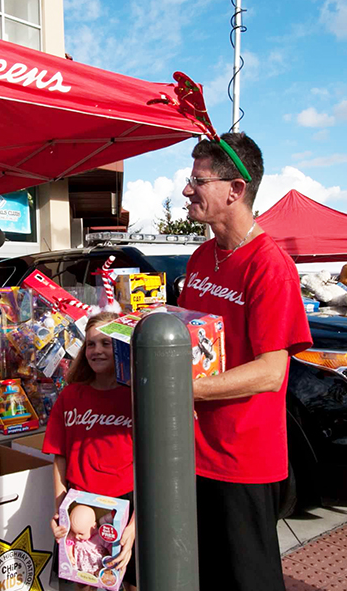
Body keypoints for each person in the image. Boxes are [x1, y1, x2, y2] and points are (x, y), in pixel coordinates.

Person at [178, 131, 313, 591]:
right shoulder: (201, 257)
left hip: (243, 462)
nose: (187, 190)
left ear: (235, 189)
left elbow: (271, 372)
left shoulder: (271, 266)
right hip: (194, 452)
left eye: (198, 181)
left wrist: (182, 389)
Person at [42, 312, 137, 591]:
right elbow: (59, 456)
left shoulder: (136, 396)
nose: (97, 350)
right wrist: (60, 510)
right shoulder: (71, 395)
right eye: (91, 344)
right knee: (83, 583)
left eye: (106, 343)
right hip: (81, 503)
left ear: (121, 347)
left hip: (126, 505)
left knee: (130, 581)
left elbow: (152, 467)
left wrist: (134, 526)